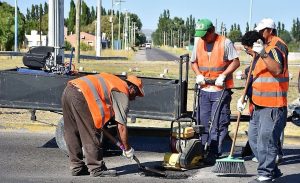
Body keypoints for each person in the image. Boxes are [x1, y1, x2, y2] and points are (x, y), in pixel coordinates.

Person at [61, 72, 144, 177]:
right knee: (90, 132)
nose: (135, 98)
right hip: (82, 95)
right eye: (136, 94)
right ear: (132, 88)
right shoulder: (122, 92)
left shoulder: (114, 80)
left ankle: (76, 166)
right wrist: (127, 149)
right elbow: (121, 127)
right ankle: (96, 168)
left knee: (71, 131)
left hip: (69, 90)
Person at [239, 31, 288, 183]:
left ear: (256, 45)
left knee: (266, 142)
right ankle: (272, 170)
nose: (247, 52)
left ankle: (265, 175)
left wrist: (263, 54)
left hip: (273, 106)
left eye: (248, 49)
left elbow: (277, 69)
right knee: (254, 140)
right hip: (258, 106)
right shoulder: (256, 57)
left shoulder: (273, 51)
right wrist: (244, 96)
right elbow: (253, 79)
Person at [191, 18, 240, 164]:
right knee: (202, 122)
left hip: (220, 89)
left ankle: (214, 152)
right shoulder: (199, 42)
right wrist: (198, 74)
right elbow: (193, 62)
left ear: (212, 31)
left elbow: (236, 61)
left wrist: (223, 75)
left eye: (205, 34)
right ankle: (202, 151)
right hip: (204, 89)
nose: (203, 38)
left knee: (218, 123)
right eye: (200, 35)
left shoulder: (225, 42)